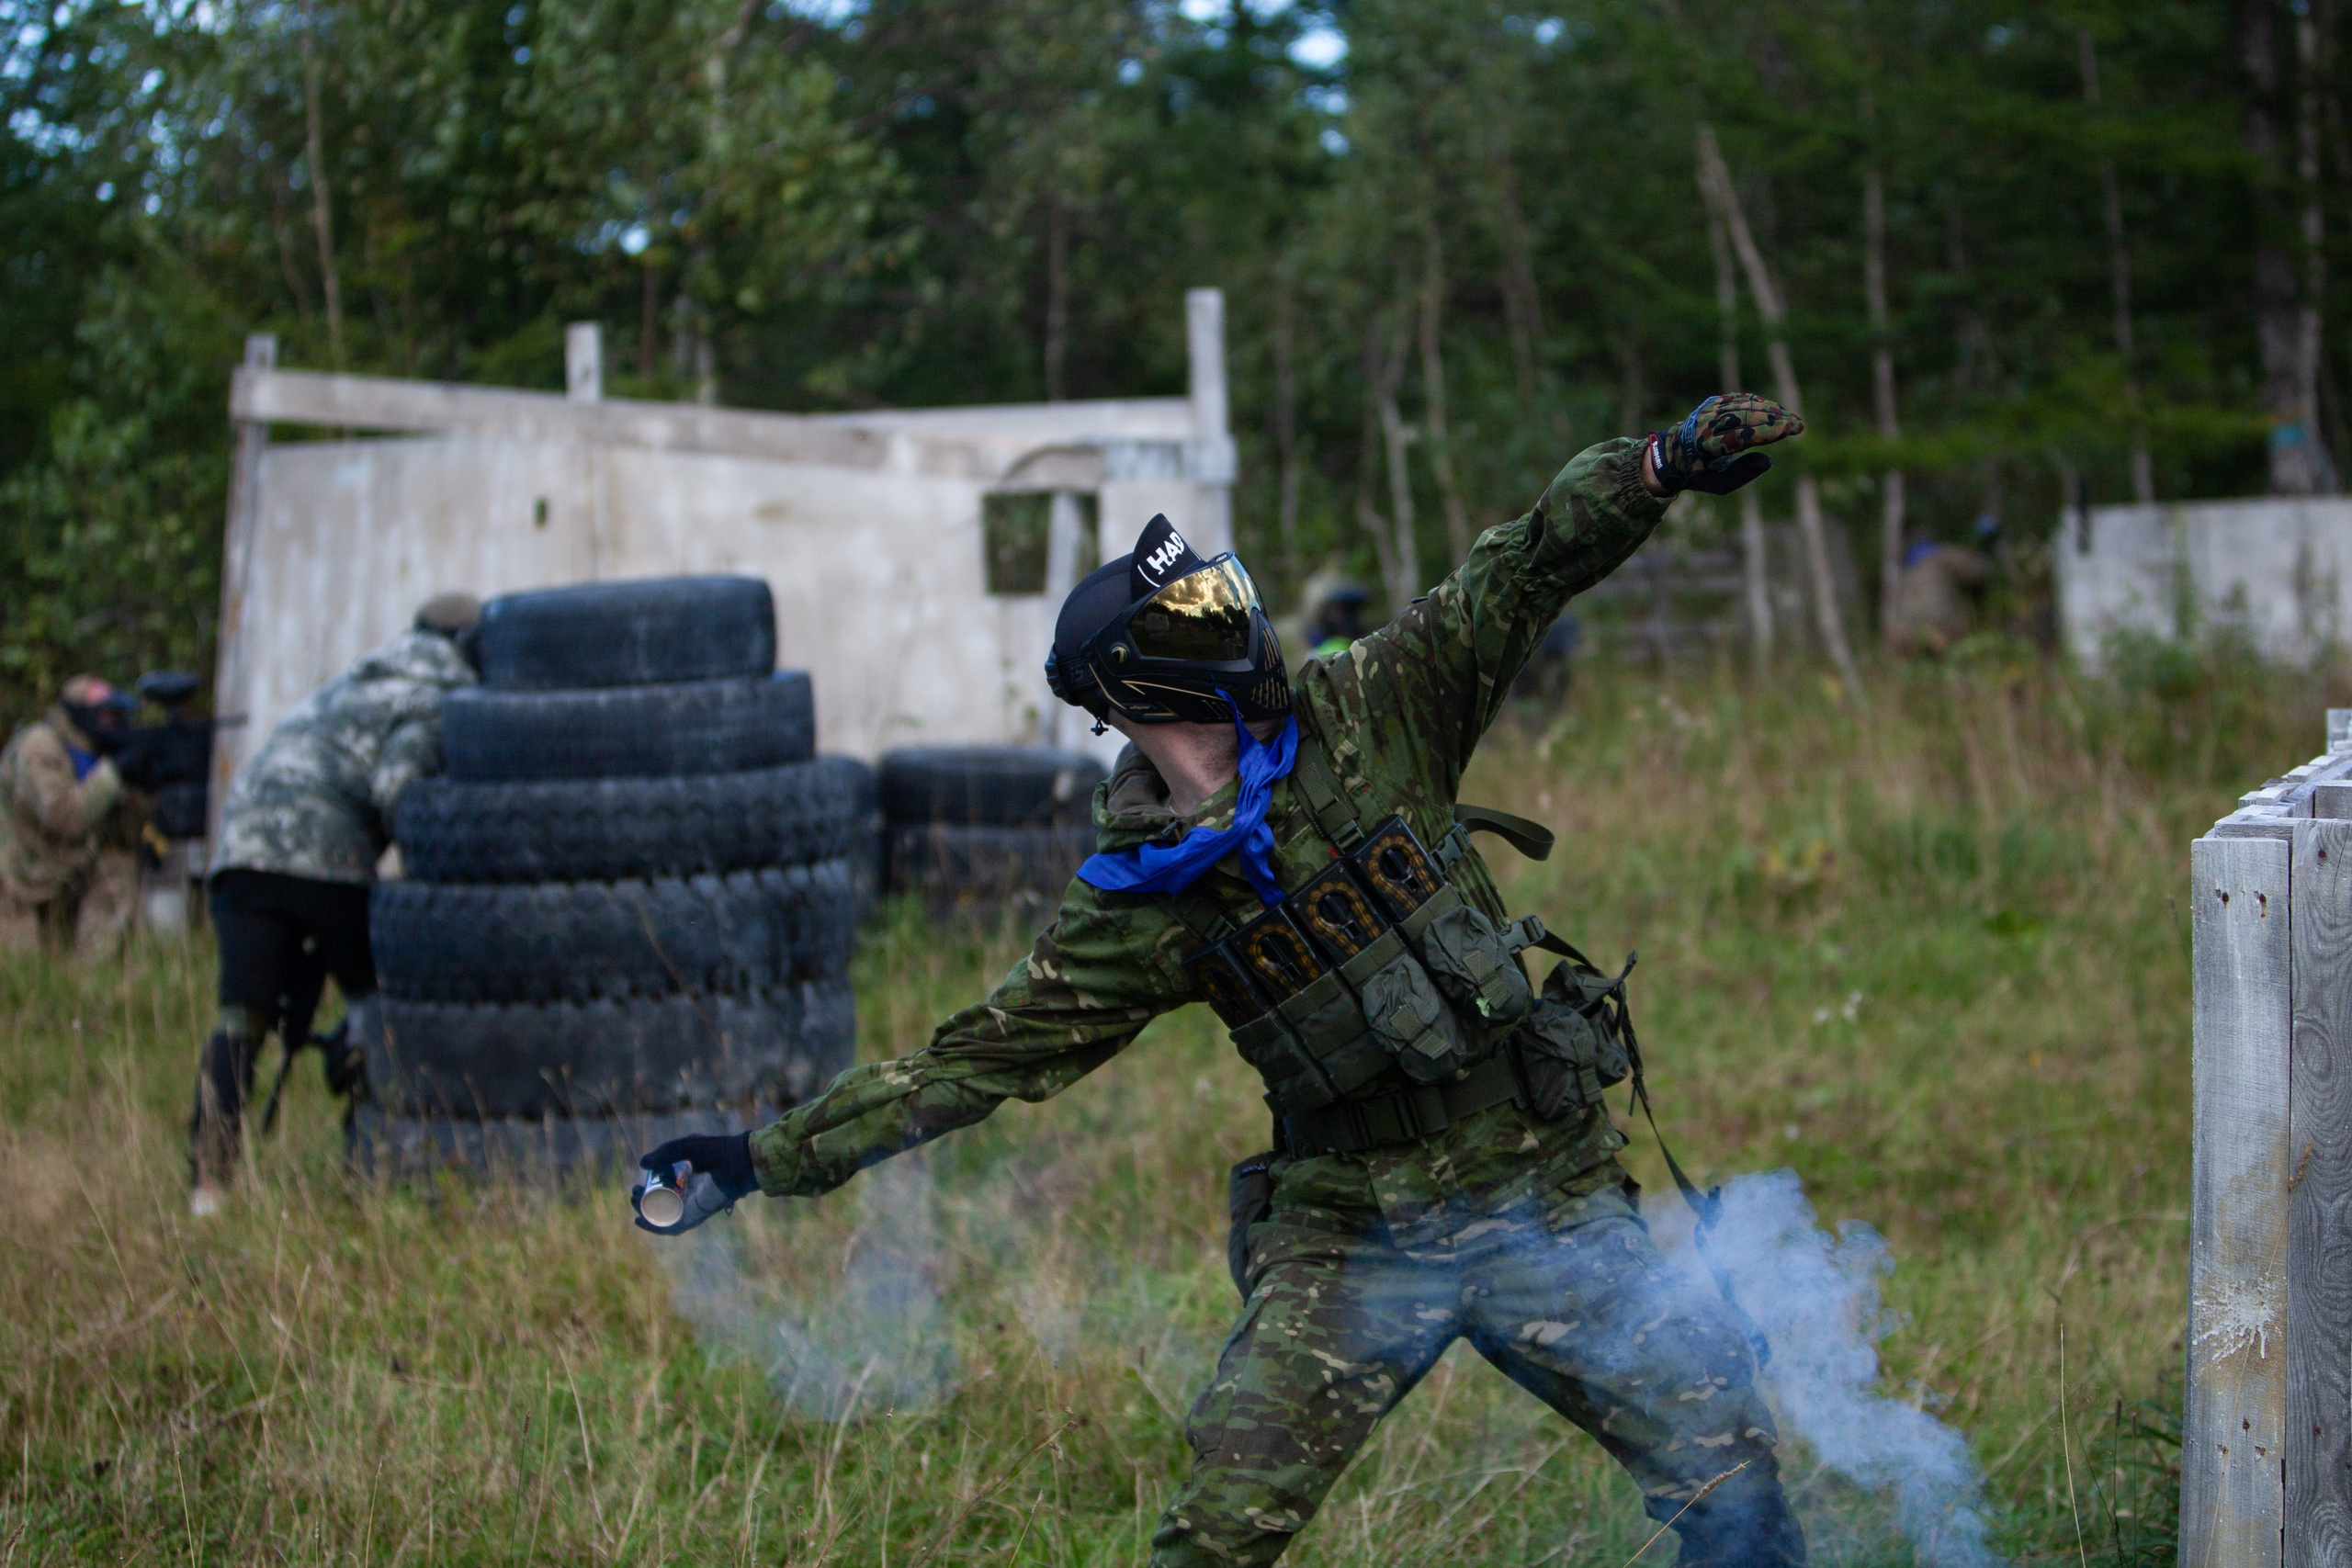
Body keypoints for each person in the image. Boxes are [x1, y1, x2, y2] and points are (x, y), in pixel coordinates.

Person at [636, 395, 1810, 1567]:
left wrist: (1655, 468)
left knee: (1733, 1485)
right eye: (1193, 614)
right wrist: (758, 1161)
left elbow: (1519, 569)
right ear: (1138, 682)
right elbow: (968, 1065)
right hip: (1352, 1234)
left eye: (1217, 597)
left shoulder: (1367, 714)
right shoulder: (1137, 898)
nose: (1229, 619)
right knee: (1214, 1536)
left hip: (1544, 1190)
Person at [188, 593, 481, 1214]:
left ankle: (207, 1186)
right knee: (373, 1013)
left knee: (243, 1019)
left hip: (242, 849)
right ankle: (370, 1165)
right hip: (326, 859)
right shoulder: (438, 694)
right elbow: (395, 787)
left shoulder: (363, 673)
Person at [0, 675, 138, 951]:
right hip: (19, 884)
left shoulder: (94, 751)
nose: (111, 723)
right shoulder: (41, 746)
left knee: (118, 870)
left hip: (65, 879)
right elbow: (65, 817)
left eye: (115, 715)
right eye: (104, 714)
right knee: (22, 975)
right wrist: (114, 773)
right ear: (80, 714)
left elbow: (124, 834)